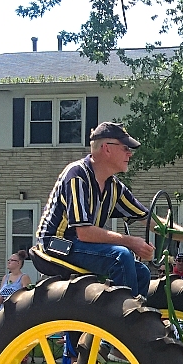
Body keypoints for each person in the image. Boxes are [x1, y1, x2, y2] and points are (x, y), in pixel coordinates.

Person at [36, 121, 155, 297]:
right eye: (125, 148)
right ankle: (126, 320)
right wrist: (132, 242)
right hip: (55, 242)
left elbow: (151, 221)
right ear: (107, 148)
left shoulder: (114, 187)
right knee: (120, 256)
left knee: (142, 273)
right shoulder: (76, 175)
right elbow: (84, 233)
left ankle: (137, 317)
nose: (130, 154)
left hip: (80, 243)